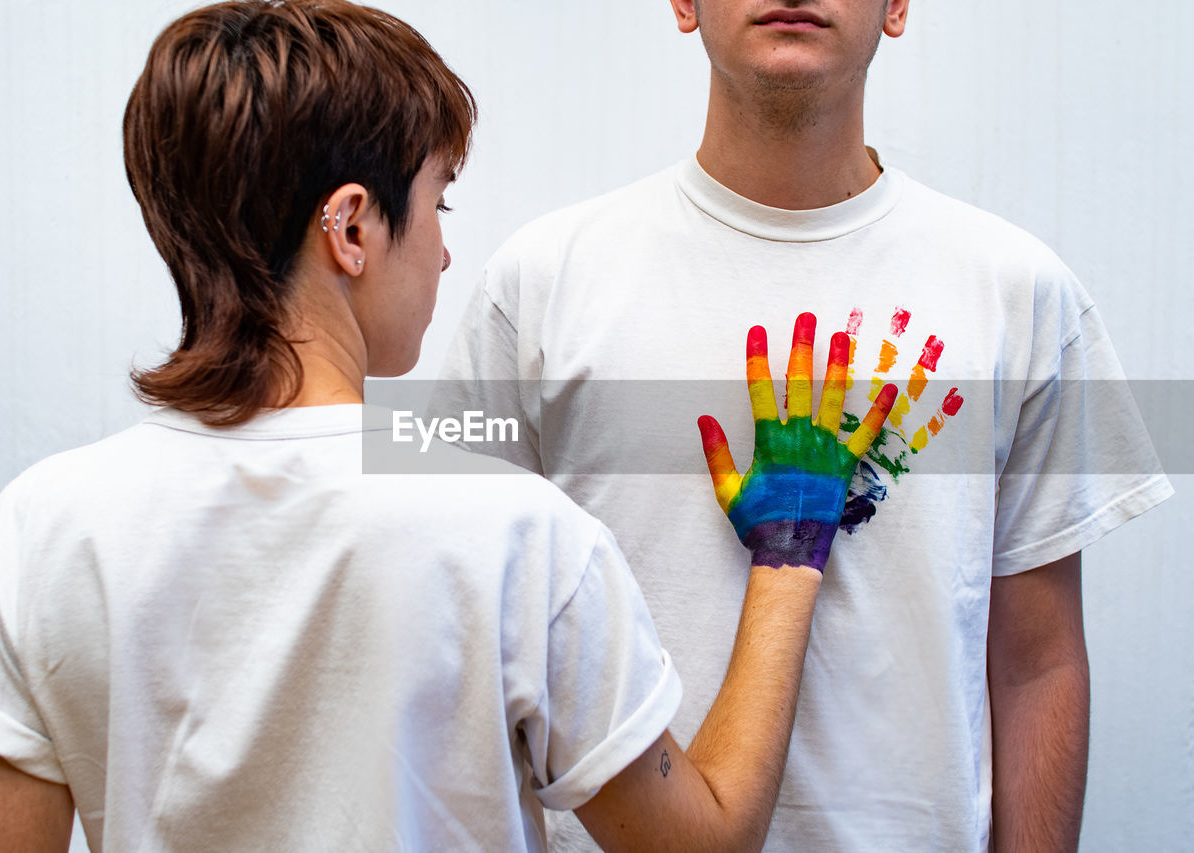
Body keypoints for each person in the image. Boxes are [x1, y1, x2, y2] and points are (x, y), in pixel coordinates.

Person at [0, 2, 897, 850]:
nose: (444, 250)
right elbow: (705, 842)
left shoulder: (35, 529)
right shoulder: (518, 533)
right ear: (351, 227)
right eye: (440, 199)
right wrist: (788, 551)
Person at [431, 1, 1173, 851]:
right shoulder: (540, 287)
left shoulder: (1017, 294)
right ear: (682, 3)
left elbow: (1036, 662)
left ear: (897, 7)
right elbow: (466, 646)